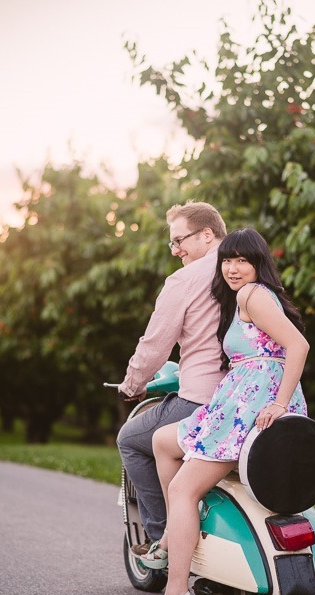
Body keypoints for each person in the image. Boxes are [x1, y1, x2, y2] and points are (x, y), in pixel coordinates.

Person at [137, 227, 310, 595]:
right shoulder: (242, 297)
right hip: (236, 402)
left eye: (242, 261)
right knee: (163, 441)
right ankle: (176, 537)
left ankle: (176, 594)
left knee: (182, 489)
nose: (232, 268)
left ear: (258, 263)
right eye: (227, 260)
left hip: (249, 408)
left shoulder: (253, 295)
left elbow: (298, 346)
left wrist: (280, 404)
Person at [116, 201, 227, 552]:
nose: (176, 250)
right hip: (241, 398)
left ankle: (162, 535)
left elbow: (155, 344)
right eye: (172, 243)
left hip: (200, 399)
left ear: (208, 234)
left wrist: (132, 384)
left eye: (181, 240)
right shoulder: (245, 270)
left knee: (131, 439)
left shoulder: (184, 279)